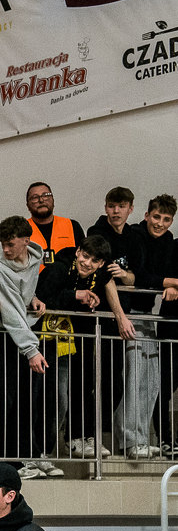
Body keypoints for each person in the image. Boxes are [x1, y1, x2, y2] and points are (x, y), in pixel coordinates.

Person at [0, 216, 54, 476]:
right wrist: (31, 350)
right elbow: (11, 312)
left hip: (24, 333)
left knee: (26, 400)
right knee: (1, 400)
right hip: (4, 337)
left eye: (10, 244)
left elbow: (21, 292)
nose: (5, 249)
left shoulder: (36, 257)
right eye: (2, 244)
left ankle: (24, 458)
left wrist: (33, 297)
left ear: (26, 241)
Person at [93, 187, 158, 458]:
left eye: (121, 206)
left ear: (131, 209)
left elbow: (134, 277)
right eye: (111, 206)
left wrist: (125, 274)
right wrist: (120, 316)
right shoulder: (97, 233)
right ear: (105, 207)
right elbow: (106, 278)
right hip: (109, 317)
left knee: (146, 380)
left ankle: (137, 438)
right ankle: (120, 439)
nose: (116, 211)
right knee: (115, 382)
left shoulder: (134, 236)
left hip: (134, 314)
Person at [37, 235, 113, 460]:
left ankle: (61, 445)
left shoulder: (98, 276)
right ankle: (39, 453)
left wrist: (92, 301)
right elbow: (39, 297)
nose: (87, 263)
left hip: (74, 342)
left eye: (94, 260)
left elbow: (109, 284)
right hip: (48, 342)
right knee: (55, 399)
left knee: (81, 389)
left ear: (101, 264)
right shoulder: (58, 269)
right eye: (85, 256)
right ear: (78, 251)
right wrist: (75, 295)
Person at [131, 196, 178, 452]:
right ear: (147, 215)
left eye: (166, 219)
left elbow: (161, 274)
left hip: (150, 313)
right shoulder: (137, 235)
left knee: (155, 383)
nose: (160, 223)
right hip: (141, 314)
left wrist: (168, 282)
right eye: (156, 217)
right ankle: (157, 439)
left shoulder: (168, 240)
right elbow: (140, 275)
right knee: (151, 383)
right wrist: (170, 283)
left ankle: (165, 441)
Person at [25, 181, 84, 271]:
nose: (41, 200)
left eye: (46, 195)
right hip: (34, 279)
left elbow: (86, 257)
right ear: (28, 205)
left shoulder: (72, 226)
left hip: (67, 279)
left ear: (53, 200)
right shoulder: (20, 229)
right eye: (35, 197)